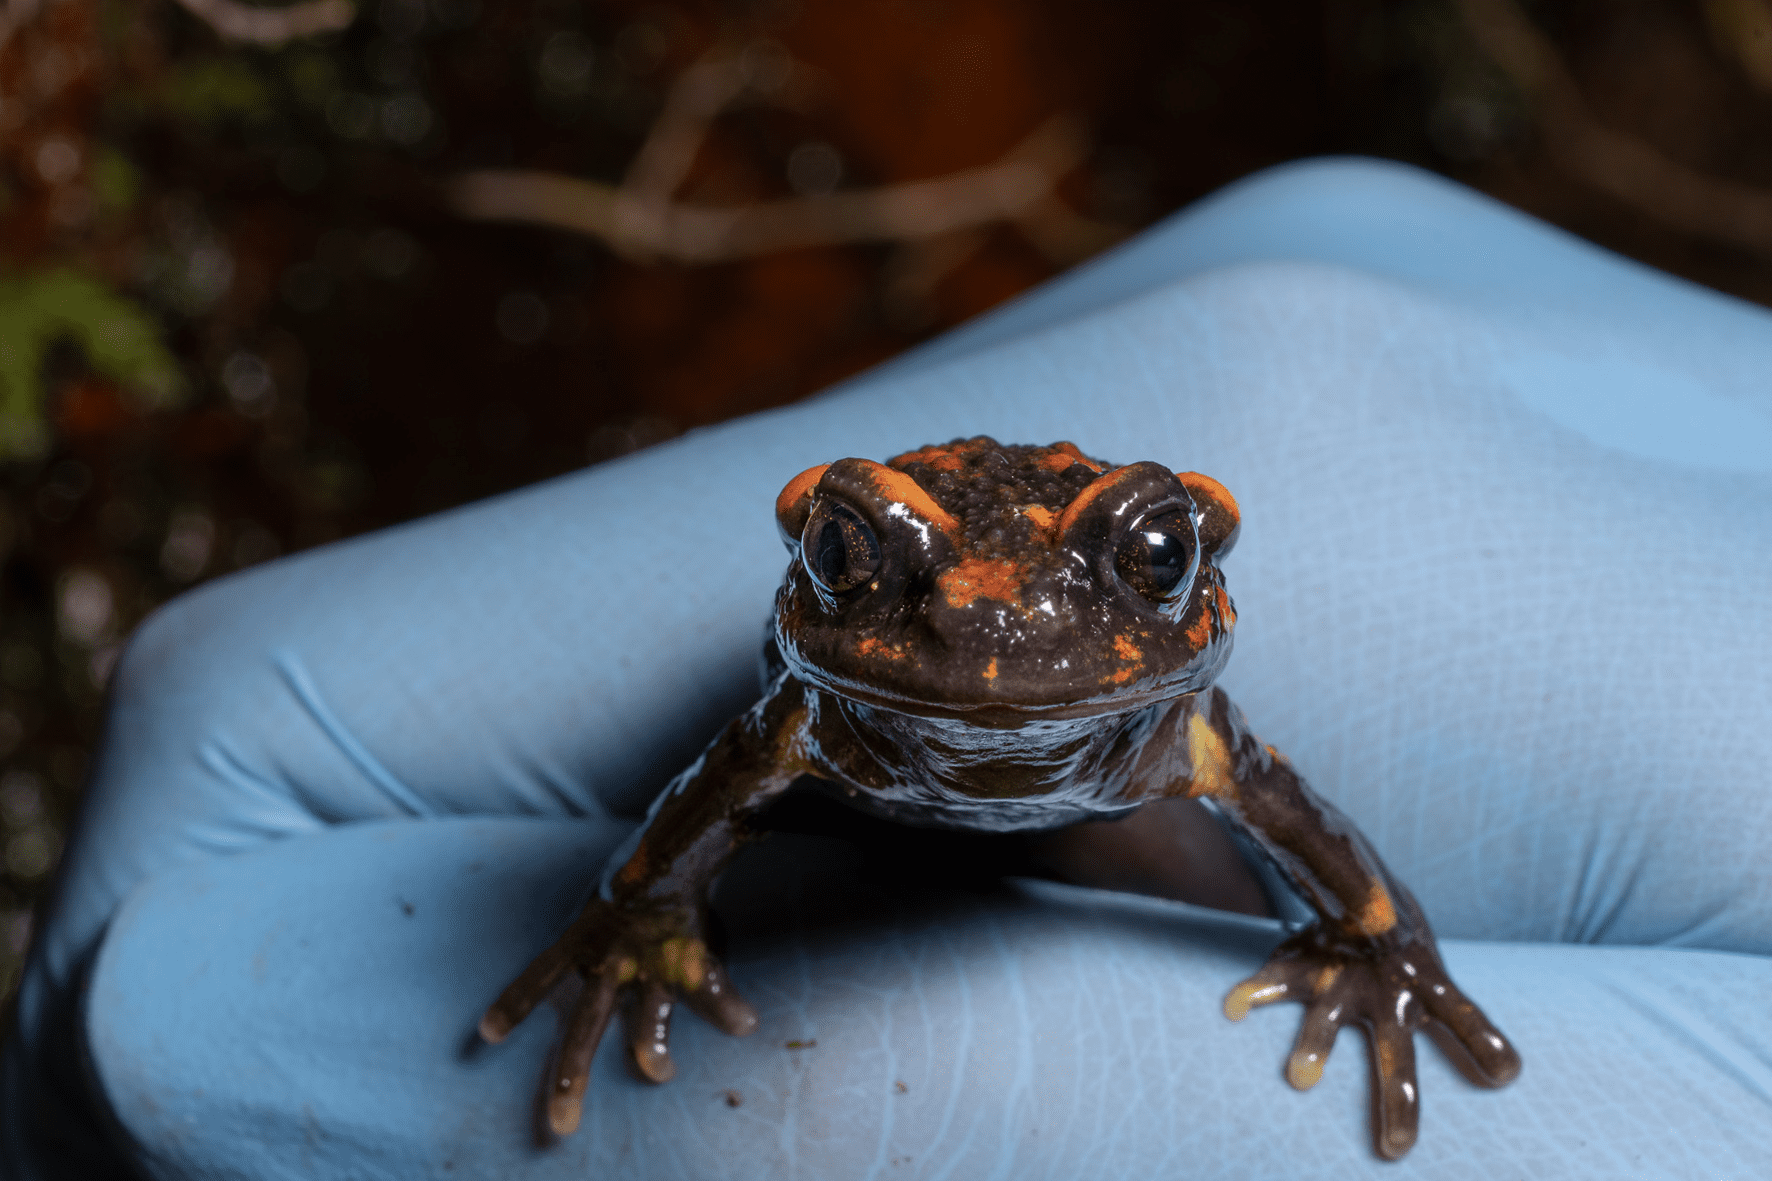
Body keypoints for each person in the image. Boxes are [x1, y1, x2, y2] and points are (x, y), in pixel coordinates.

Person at [5, 158, 1771, 1179]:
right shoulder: (803, 707)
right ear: (812, 569)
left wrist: (1379, 952)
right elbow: (697, 808)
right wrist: (644, 913)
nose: (996, 636)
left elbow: (1323, 853)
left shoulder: (1194, 735)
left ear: (1202, 579)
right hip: (872, 768)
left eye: (1147, 561)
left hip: (1114, 786)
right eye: (868, 563)